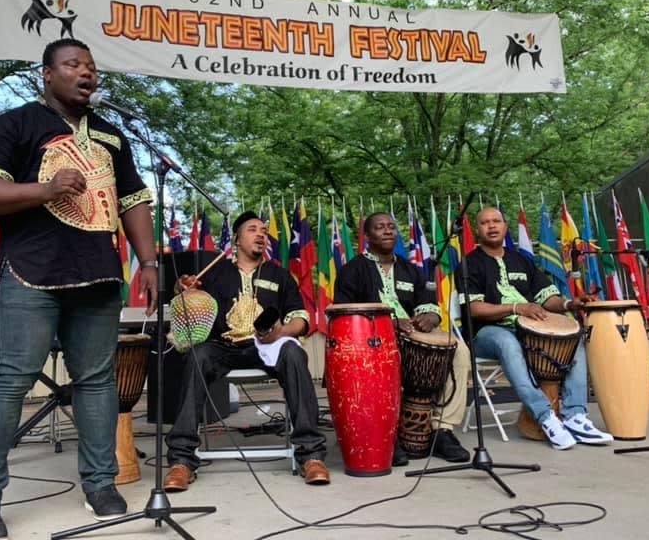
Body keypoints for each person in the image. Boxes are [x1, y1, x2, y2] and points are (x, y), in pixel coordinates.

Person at [0, 38, 158, 540]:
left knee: (96, 380)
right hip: (32, 272)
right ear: (46, 74)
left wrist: (150, 260)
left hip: (98, 274)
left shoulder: (113, 135)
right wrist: (45, 189)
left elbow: (133, 199)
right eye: (73, 65)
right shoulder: (17, 124)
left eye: (90, 66)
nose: (85, 73)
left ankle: (100, 483)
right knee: (11, 378)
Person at [163, 211, 330, 491]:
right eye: (253, 229)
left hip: (266, 345)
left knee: (292, 353)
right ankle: (181, 460)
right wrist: (183, 289)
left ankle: (310, 454)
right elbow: (189, 300)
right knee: (197, 355)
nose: (261, 234)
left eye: (263, 230)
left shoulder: (279, 274)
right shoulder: (216, 273)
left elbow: (301, 321)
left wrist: (281, 332)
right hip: (224, 347)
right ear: (237, 239)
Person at [458, 206, 613, 449]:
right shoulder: (469, 264)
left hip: (528, 331)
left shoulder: (522, 260)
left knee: (573, 337)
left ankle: (575, 416)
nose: (491, 226)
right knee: (506, 342)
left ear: (505, 226)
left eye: (496, 221)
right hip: (486, 333)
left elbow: (546, 298)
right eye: (485, 222)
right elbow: (474, 309)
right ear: (477, 230)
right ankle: (546, 417)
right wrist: (516, 308)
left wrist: (570, 303)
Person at [334, 212, 472, 465]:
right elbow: (345, 313)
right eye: (379, 227)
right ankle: (388, 435)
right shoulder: (352, 270)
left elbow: (428, 305)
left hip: (413, 334)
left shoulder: (412, 270)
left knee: (459, 351)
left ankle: (442, 430)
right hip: (372, 339)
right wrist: (390, 323)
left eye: (391, 227)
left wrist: (429, 317)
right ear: (367, 235)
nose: (387, 231)